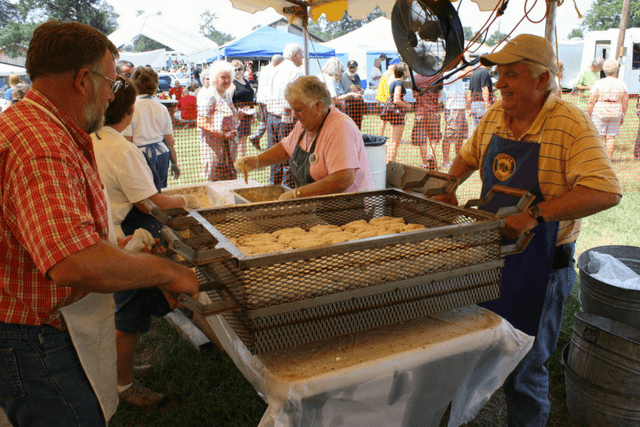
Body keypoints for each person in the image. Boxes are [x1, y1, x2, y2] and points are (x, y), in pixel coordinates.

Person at [0, 20, 199, 427]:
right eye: (110, 82)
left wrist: (123, 253)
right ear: (81, 80)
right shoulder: (42, 147)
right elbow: (73, 261)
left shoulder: (45, 128)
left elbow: (65, 236)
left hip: (35, 328)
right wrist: (169, 272)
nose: (113, 94)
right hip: (33, 335)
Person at [434, 34, 622, 427]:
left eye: (512, 75)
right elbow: (467, 157)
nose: (499, 83)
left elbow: (605, 191)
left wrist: (535, 215)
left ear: (542, 80)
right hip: (488, 258)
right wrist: (448, 187)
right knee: (473, 353)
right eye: (499, 74)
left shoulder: (570, 124)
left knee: (525, 371)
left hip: (542, 269)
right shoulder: (494, 116)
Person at [91, 75, 201, 408]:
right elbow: (149, 202)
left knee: (121, 313)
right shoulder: (120, 149)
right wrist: (190, 200)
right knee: (128, 316)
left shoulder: (93, 138)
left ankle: (118, 369)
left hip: (109, 233)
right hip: (124, 237)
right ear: (129, 111)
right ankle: (124, 386)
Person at [234, 75, 372, 199]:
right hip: (320, 206)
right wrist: (257, 161)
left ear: (317, 105)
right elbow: (286, 148)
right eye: (293, 109)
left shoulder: (339, 128)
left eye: (299, 110)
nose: (294, 115)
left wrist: (298, 194)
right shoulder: (306, 122)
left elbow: (343, 178)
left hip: (349, 208)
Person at [123, 66, 181, 188]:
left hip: (140, 157)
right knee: (162, 192)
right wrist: (175, 163)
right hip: (162, 155)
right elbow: (169, 142)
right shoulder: (162, 108)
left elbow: (127, 140)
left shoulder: (130, 108)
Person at [197, 60, 245, 181]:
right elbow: (201, 122)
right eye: (222, 77)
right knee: (215, 178)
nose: (227, 80)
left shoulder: (226, 95)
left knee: (228, 177)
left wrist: (239, 114)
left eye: (229, 77)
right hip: (214, 145)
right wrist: (222, 134)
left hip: (228, 143)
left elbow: (227, 114)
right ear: (214, 78)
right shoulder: (209, 95)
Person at [265, 42, 303, 187]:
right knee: (289, 157)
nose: (303, 57)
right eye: (302, 54)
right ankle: (286, 192)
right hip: (286, 119)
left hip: (272, 118)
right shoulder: (296, 72)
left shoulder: (275, 69)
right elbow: (296, 98)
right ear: (295, 55)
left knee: (274, 157)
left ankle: (273, 189)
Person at [587, 58, 629, 160]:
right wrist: (623, 113)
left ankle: (598, 158)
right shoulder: (622, 83)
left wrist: (589, 112)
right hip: (616, 111)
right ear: (616, 70)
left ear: (604, 69)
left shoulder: (599, 83)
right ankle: (608, 159)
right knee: (611, 137)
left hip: (600, 111)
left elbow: (592, 99)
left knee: (599, 136)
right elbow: (625, 101)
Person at [249, 54, 283, 149]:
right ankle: (256, 137)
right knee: (266, 121)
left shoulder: (264, 68)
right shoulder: (274, 70)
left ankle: (257, 137)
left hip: (261, 98)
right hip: (267, 99)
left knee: (265, 121)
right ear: (279, 63)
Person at [411, 71, 442, 170]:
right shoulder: (438, 77)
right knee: (434, 137)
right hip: (434, 111)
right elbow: (439, 95)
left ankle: (425, 163)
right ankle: (431, 154)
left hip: (420, 111)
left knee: (422, 139)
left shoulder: (415, 78)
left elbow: (414, 95)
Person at [382, 63, 411, 163]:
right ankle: (391, 163)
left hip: (393, 114)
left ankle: (389, 162)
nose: (409, 73)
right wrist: (407, 106)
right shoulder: (399, 83)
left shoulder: (394, 82)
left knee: (392, 142)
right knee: (394, 142)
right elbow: (396, 100)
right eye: (407, 70)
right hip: (397, 115)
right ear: (404, 72)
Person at [440, 67, 469, 168]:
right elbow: (469, 72)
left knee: (460, 136)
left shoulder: (455, 70)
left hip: (459, 108)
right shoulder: (449, 72)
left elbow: (460, 88)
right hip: (453, 108)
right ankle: (446, 162)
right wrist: (467, 56)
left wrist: (467, 102)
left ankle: (457, 159)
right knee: (449, 135)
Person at [228, 59, 255, 159]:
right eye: (235, 70)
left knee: (244, 138)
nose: (238, 71)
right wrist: (236, 113)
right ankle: (236, 160)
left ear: (243, 69)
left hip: (248, 115)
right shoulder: (232, 84)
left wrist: (253, 113)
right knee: (238, 139)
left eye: (239, 69)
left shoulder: (246, 82)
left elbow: (251, 96)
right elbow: (229, 100)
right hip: (238, 116)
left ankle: (243, 159)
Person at [338, 59, 366, 129]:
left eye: (353, 68)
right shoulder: (343, 78)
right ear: (347, 68)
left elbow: (359, 88)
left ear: (356, 68)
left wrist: (361, 91)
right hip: (348, 107)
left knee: (358, 126)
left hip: (358, 106)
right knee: (349, 127)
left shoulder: (357, 76)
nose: (352, 69)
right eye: (350, 68)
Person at [467, 62, 493, 131]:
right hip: (481, 105)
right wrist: (487, 105)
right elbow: (484, 88)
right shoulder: (485, 72)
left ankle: (474, 142)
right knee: (484, 129)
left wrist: (469, 108)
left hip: (474, 105)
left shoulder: (474, 73)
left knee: (475, 130)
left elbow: (470, 92)